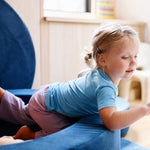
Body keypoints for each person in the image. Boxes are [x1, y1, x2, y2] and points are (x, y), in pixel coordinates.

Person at [0, 23, 150, 141]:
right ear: (102, 59)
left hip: (47, 93)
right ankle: (27, 134)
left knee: (23, 112)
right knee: (63, 134)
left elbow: (81, 74)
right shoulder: (106, 88)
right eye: (125, 57)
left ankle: (2, 95)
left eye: (136, 56)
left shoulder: (97, 72)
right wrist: (145, 109)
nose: (133, 63)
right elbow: (111, 121)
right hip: (47, 107)